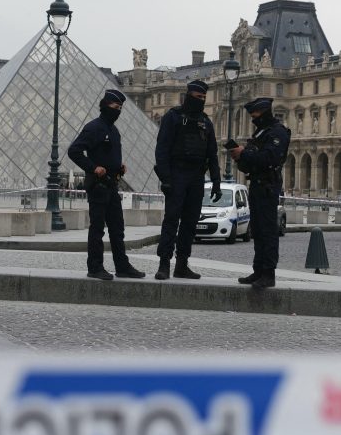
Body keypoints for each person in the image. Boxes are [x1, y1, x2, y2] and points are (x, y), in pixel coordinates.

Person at [67, 89, 147, 281]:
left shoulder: (114, 131)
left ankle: (122, 266)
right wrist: (93, 167)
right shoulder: (93, 127)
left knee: (117, 229)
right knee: (97, 229)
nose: (118, 111)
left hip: (112, 184)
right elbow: (74, 151)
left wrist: (119, 167)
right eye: (115, 106)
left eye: (120, 108)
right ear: (104, 106)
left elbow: (108, 155)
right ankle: (95, 267)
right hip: (98, 185)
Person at [154, 80, 222, 280]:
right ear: (189, 95)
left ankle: (182, 264)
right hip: (177, 174)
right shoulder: (173, 117)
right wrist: (166, 178)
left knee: (190, 223)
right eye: (198, 97)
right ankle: (164, 264)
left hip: (196, 177)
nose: (201, 100)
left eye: (204, 98)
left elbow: (212, 154)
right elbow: (162, 149)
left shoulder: (206, 122)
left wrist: (216, 182)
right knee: (171, 220)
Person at [229, 97, 291, 289]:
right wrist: (239, 158)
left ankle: (268, 273)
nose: (253, 119)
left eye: (255, 115)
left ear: (264, 112)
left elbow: (269, 158)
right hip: (256, 184)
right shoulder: (260, 133)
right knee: (257, 229)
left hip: (268, 185)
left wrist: (244, 153)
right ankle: (258, 270)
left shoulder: (278, 132)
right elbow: (250, 163)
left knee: (268, 230)